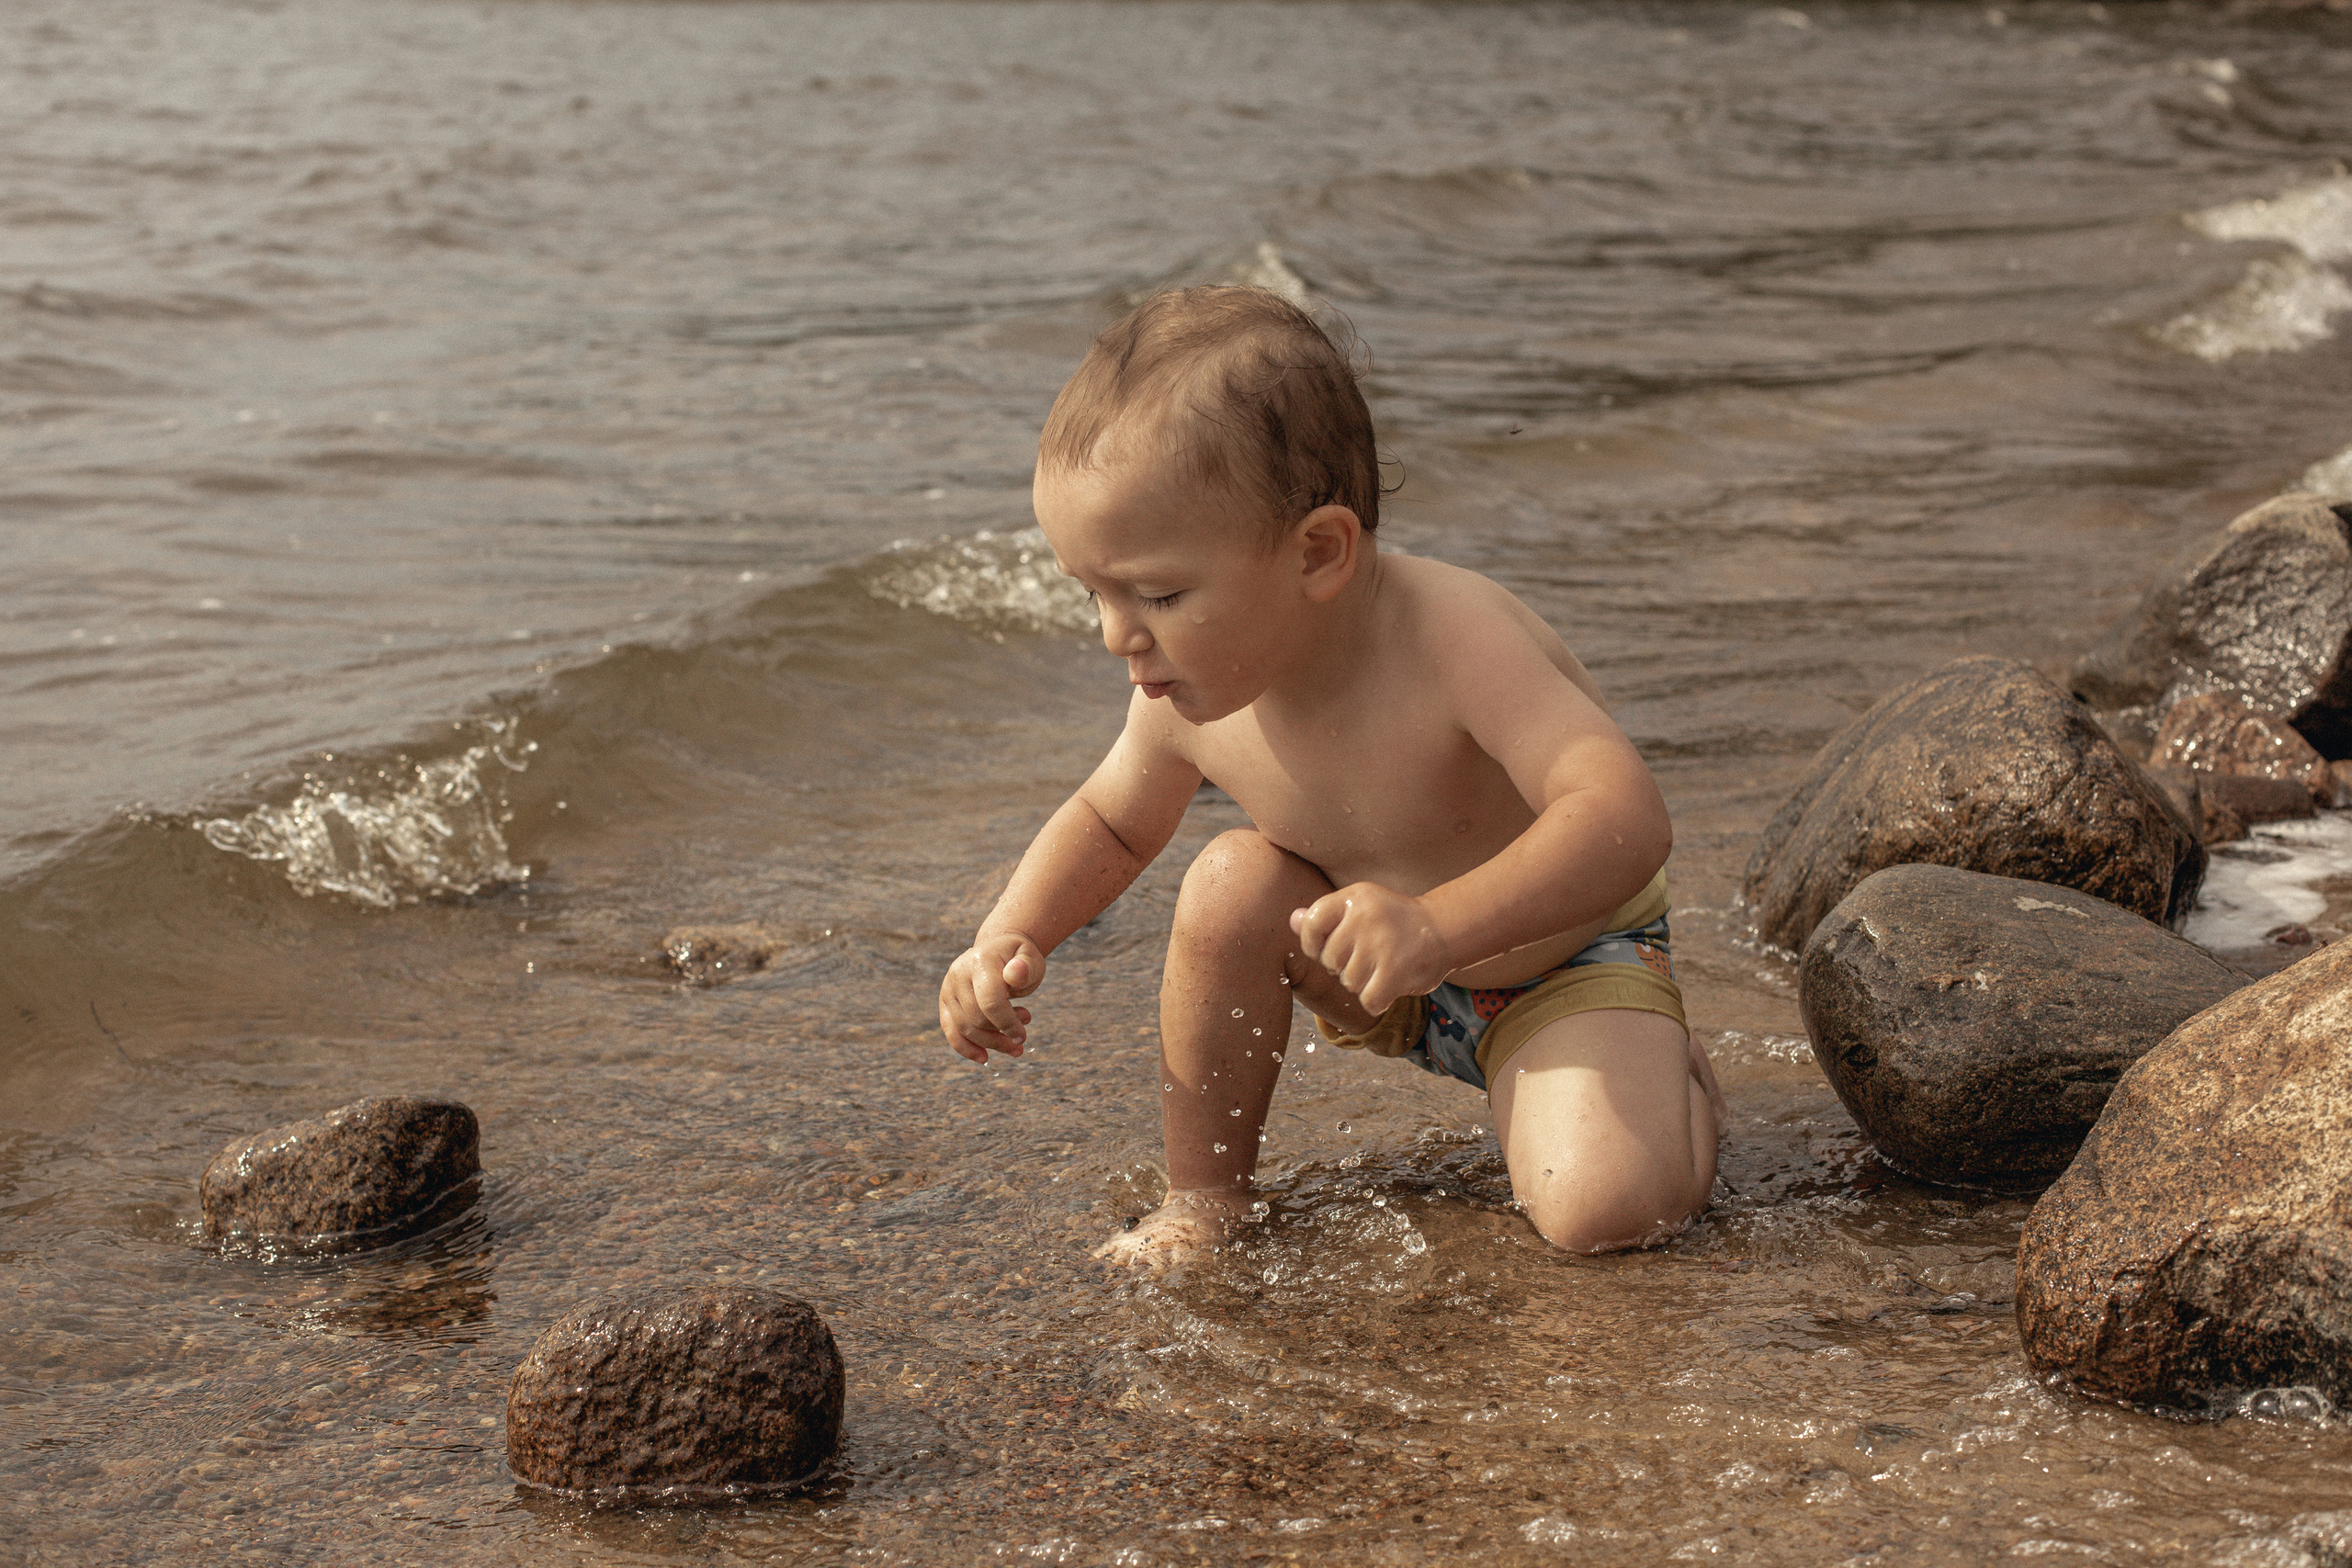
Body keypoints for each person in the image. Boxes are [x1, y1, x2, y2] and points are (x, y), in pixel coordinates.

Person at [936, 285, 1722, 1267]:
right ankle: (1208, 1196)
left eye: (1159, 593)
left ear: (1317, 553)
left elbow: (1623, 818)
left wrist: (1440, 927)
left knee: (1601, 1212)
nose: (1114, 634)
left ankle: (1670, 1082)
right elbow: (1109, 820)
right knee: (1228, 885)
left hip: (1555, 961)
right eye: (1090, 592)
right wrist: (1008, 935)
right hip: (1370, 965)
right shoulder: (1190, 693)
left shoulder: (1455, 642)